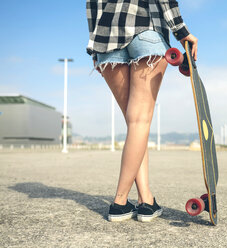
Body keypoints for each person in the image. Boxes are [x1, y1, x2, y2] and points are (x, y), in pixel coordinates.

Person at [86, 0, 197, 222]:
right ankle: (119, 203)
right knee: (139, 123)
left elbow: (92, 6)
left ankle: (146, 200)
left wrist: (94, 51)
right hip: (146, 30)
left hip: (106, 42)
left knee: (135, 126)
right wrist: (182, 32)